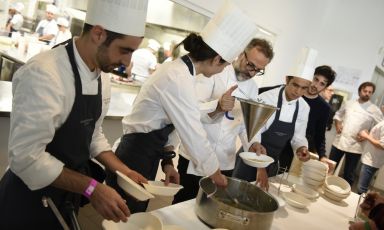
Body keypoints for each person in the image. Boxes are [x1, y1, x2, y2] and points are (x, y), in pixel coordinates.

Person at [0, 0, 149, 228]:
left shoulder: (102, 76)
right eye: (125, 50)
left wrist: (124, 171)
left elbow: (92, 135)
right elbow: (26, 158)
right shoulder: (45, 74)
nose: (127, 62)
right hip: (26, 200)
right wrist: (92, 188)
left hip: (65, 195)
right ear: (98, 34)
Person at [106, 1, 258, 213]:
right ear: (216, 59)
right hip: (135, 154)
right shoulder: (177, 78)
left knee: (134, 212)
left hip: (148, 152)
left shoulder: (183, 73)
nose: (224, 70)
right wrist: (215, 173)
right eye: (225, 65)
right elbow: (192, 132)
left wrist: (167, 161)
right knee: (123, 214)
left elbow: (171, 123)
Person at [173, 38, 274, 203]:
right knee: (184, 203)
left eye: (258, 70)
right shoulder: (213, 71)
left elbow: (245, 124)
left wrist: (253, 143)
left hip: (225, 160)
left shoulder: (252, 88)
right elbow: (191, 112)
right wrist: (218, 106)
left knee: (212, 205)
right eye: (250, 65)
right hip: (196, 155)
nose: (252, 73)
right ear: (241, 54)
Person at [232, 67, 313, 189]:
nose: (298, 92)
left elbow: (298, 137)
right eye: (295, 85)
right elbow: (253, 132)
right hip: (251, 156)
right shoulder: (267, 98)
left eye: (304, 88)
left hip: (272, 162)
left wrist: (301, 148)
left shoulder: (303, 107)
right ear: (287, 80)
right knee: (236, 195)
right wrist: (260, 167)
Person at [329, 82, 383, 186]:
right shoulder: (349, 103)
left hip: (356, 146)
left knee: (348, 174)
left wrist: (367, 134)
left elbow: (380, 127)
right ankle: (324, 186)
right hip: (339, 141)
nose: (367, 93)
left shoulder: (374, 109)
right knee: (330, 166)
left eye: (370, 92)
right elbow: (338, 114)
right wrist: (337, 124)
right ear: (360, 91)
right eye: (365, 91)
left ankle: (345, 194)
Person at [356, 120, 384, 194]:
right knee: (362, 187)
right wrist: (369, 134)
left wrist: (366, 136)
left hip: (372, 161)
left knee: (361, 189)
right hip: (370, 159)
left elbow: (382, 145)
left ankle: (361, 205)